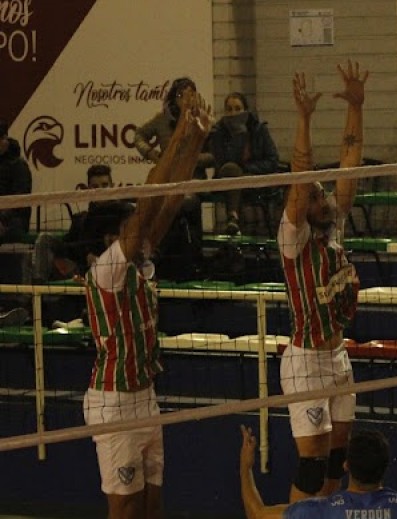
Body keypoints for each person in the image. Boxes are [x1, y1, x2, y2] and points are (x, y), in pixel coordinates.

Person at [81, 93, 211, 518]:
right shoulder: (107, 270)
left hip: (145, 397)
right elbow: (150, 199)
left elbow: (171, 199)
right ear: (111, 239)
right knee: (126, 511)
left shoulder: (138, 261)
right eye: (127, 228)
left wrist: (195, 138)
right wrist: (176, 136)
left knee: (152, 506)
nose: (137, 231)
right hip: (113, 401)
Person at [279, 61, 367, 502]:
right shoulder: (294, 240)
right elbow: (299, 175)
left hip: (337, 356)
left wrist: (356, 106)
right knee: (311, 468)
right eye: (314, 195)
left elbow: (350, 158)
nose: (321, 197)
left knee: (338, 459)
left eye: (320, 193)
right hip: (305, 361)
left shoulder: (335, 229)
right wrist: (304, 119)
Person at [239, 426, 397, 519]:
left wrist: (245, 467)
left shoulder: (321, 510)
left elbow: (256, 513)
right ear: (386, 466)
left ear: (346, 466)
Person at [135, 77, 210, 279]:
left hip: (193, 178)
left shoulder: (202, 121)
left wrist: (189, 158)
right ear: (174, 98)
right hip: (166, 180)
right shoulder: (162, 120)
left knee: (185, 203)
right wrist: (153, 155)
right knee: (158, 205)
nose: (187, 99)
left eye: (191, 94)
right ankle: (156, 253)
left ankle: (193, 257)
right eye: (182, 95)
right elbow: (139, 136)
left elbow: (213, 155)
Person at [210, 92, 282, 235]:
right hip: (227, 178)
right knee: (231, 169)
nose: (233, 113)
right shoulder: (219, 131)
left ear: (246, 110)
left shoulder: (259, 130)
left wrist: (248, 169)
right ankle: (233, 217)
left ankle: (235, 220)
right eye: (229, 109)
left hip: (254, 177)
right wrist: (238, 137)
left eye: (238, 108)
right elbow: (221, 161)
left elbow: (272, 160)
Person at [32, 165, 117, 283]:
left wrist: (101, 261)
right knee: (44, 239)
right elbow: (68, 248)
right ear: (88, 190)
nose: (100, 190)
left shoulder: (124, 215)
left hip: (114, 273)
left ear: (112, 187)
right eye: (95, 186)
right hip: (81, 274)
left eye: (104, 185)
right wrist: (86, 255)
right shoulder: (80, 220)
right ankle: (38, 293)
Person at [0, 117, 33, 242]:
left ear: (5, 140)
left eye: (1, 139)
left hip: (15, 221)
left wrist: (2, 219)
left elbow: (20, 200)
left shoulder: (19, 166)